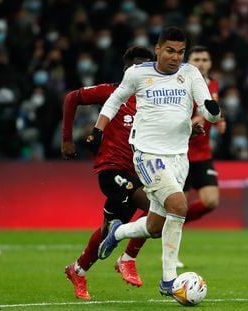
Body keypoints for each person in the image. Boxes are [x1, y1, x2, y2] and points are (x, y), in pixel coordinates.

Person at [89, 26, 221, 296]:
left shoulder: (190, 73)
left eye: (181, 52)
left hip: (179, 156)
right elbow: (114, 102)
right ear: (158, 49)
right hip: (148, 155)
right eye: (170, 51)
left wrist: (212, 113)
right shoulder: (138, 73)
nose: (175, 57)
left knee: (155, 226)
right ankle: (169, 280)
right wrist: (98, 129)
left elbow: (208, 108)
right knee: (179, 204)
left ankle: (117, 233)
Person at [62, 46, 154, 300]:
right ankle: (128, 258)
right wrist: (67, 139)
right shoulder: (113, 92)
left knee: (109, 229)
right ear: (127, 70)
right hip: (112, 169)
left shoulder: (153, 98)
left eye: (147, 67)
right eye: (137, 67)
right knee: (157, 206)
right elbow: (72, 98)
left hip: (140, 171)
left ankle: (77, 269)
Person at [183, 45, 226, 229]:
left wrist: (219, 121)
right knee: (175, 206)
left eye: (205, 60)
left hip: (202, 154)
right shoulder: (180, 85)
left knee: (211, 201)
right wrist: (194, 120)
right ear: (188, 63)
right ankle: (147, 227)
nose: (201, 64)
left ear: (210, 63)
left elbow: (212, 111)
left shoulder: (214, 84)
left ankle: (178, 222)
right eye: (196, 60)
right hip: (180, 154)